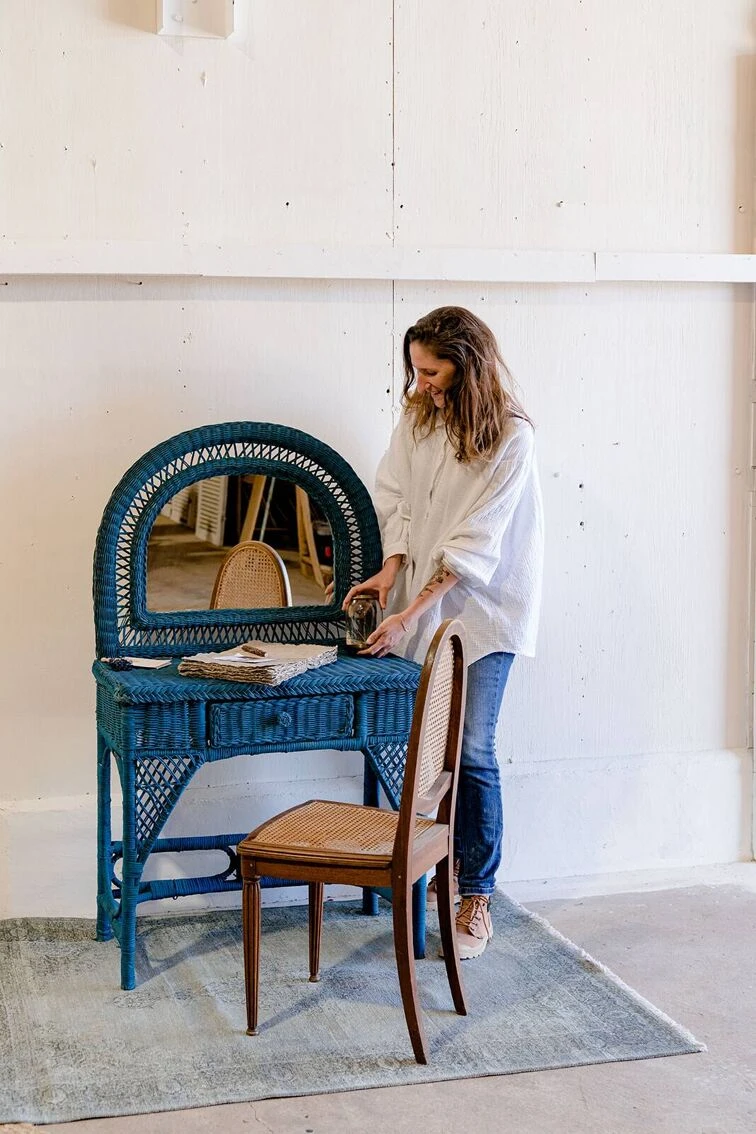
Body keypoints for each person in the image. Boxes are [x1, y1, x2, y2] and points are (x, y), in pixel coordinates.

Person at [342, 306, 543, 960]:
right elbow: (396, 497)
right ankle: (435, 876)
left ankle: (476, 895)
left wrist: (411, 610)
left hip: (484, 613)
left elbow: (473, 545)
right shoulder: (419, 416)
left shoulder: (511, 438)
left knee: (473, 749)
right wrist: (389, 573)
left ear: (468, 364)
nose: (421, 382)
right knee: (433, 753)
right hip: (419, 606)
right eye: (416, 370)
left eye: (433, 371)